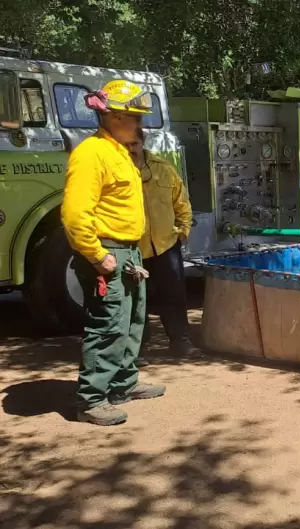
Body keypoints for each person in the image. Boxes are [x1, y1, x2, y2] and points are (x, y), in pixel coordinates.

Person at [61, 80, 166, 426]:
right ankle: (91, 400)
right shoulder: (91, 154)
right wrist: (96, 254)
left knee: (132, 322)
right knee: (108, 326)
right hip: (109, 252)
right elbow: (75, 215)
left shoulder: (118, 151)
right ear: (116, 116)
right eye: (136, 118)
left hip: (128, 253)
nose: (140, 125)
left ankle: (123, 384)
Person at [124, 129, 198, 355]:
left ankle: (180, 342)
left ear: (142, 142)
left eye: (134, 144)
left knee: (174, 295)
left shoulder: (163, 168)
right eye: (126, 145)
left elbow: (181, 202)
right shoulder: (115, 171)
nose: (130, 149)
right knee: (136, 300)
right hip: (133, 248)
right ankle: (137, 349)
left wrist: (183, 230)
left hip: (166, 244)